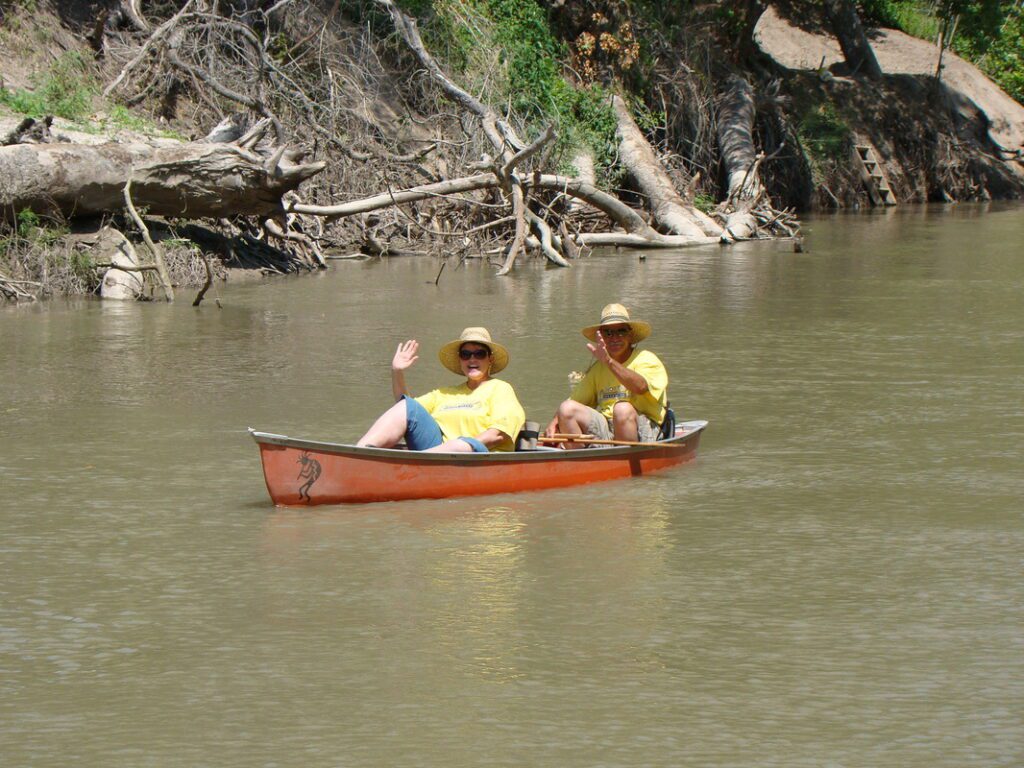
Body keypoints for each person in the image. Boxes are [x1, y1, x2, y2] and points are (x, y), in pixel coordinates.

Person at [357, 327, 525, 453]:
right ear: (460, 359)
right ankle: (361, 453)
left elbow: (497, 435)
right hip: (437, 453)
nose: (472, 359)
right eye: (466, 354)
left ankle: (417, 462)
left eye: (479, 353)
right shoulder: (444, 393)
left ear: (490, 359)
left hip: (475, 455)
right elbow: (404, 411)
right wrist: (397, 371)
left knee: (458, 444)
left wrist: (460, 446)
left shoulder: (501, 389)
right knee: (407, 405)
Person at [545, 303, 668, 447]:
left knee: (622, 409)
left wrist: (609, 362)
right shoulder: (598, 369)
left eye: (621, 331)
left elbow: (640, 387)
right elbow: (575, 401)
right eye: (608, 333)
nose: (614, 338)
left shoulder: (647, 359)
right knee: (566, 409)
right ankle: (580, 462)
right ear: (601, 337)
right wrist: (554, 422)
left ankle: (624, 460)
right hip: (607, 428)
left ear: (630, 335)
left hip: (643, 428)